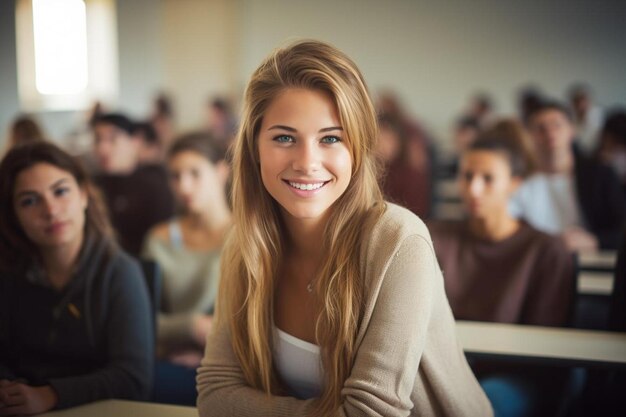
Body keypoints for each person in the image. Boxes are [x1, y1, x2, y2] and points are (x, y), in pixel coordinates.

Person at [196, 40, 491, 417]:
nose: (307, 162)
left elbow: (369, 414)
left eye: (331, 138)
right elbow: (215, 396)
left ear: (359, 148)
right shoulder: (244, 243)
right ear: (254, 148)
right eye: (284, 137)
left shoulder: (399, 242)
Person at [0, 142, 153, 415]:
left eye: (60, 191)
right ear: (13, 216)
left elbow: (133, 378)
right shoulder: (8, 274)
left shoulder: (119, 272)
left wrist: (50, 395)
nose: (50, 210)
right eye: (29, 200)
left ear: (83, 195)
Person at [429, 135, 574, 417]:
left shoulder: (546, 250)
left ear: (515, 183)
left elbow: (544, 344)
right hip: (443, 367)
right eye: (467, 176)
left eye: (488, 178)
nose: (474, 189)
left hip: (513, 374)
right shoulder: (435, 237)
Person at [142, 132, 231, 404]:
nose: (184, 186)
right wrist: (192, 326)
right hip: (170, 360)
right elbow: (140, 320)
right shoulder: (159, 239)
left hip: (232, 361)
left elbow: (263, 319)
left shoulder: (250, 235)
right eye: (175, 176)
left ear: (221, 172)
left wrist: (213, 352)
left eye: (195, 173)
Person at [509, 101, 626, 251]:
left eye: (557, 125)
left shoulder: (600, 175)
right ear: (529, 135)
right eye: (541, 128)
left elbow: (620, 228)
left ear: (572, 130)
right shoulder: (517, 180)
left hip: (589, 262)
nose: (550, 133)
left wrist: (595, 241)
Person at [92, 113, 175, 256]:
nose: (102, 148)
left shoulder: (155, 186)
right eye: (98, 140)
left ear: (135, 141)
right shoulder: (92, 185)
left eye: (113, 139)